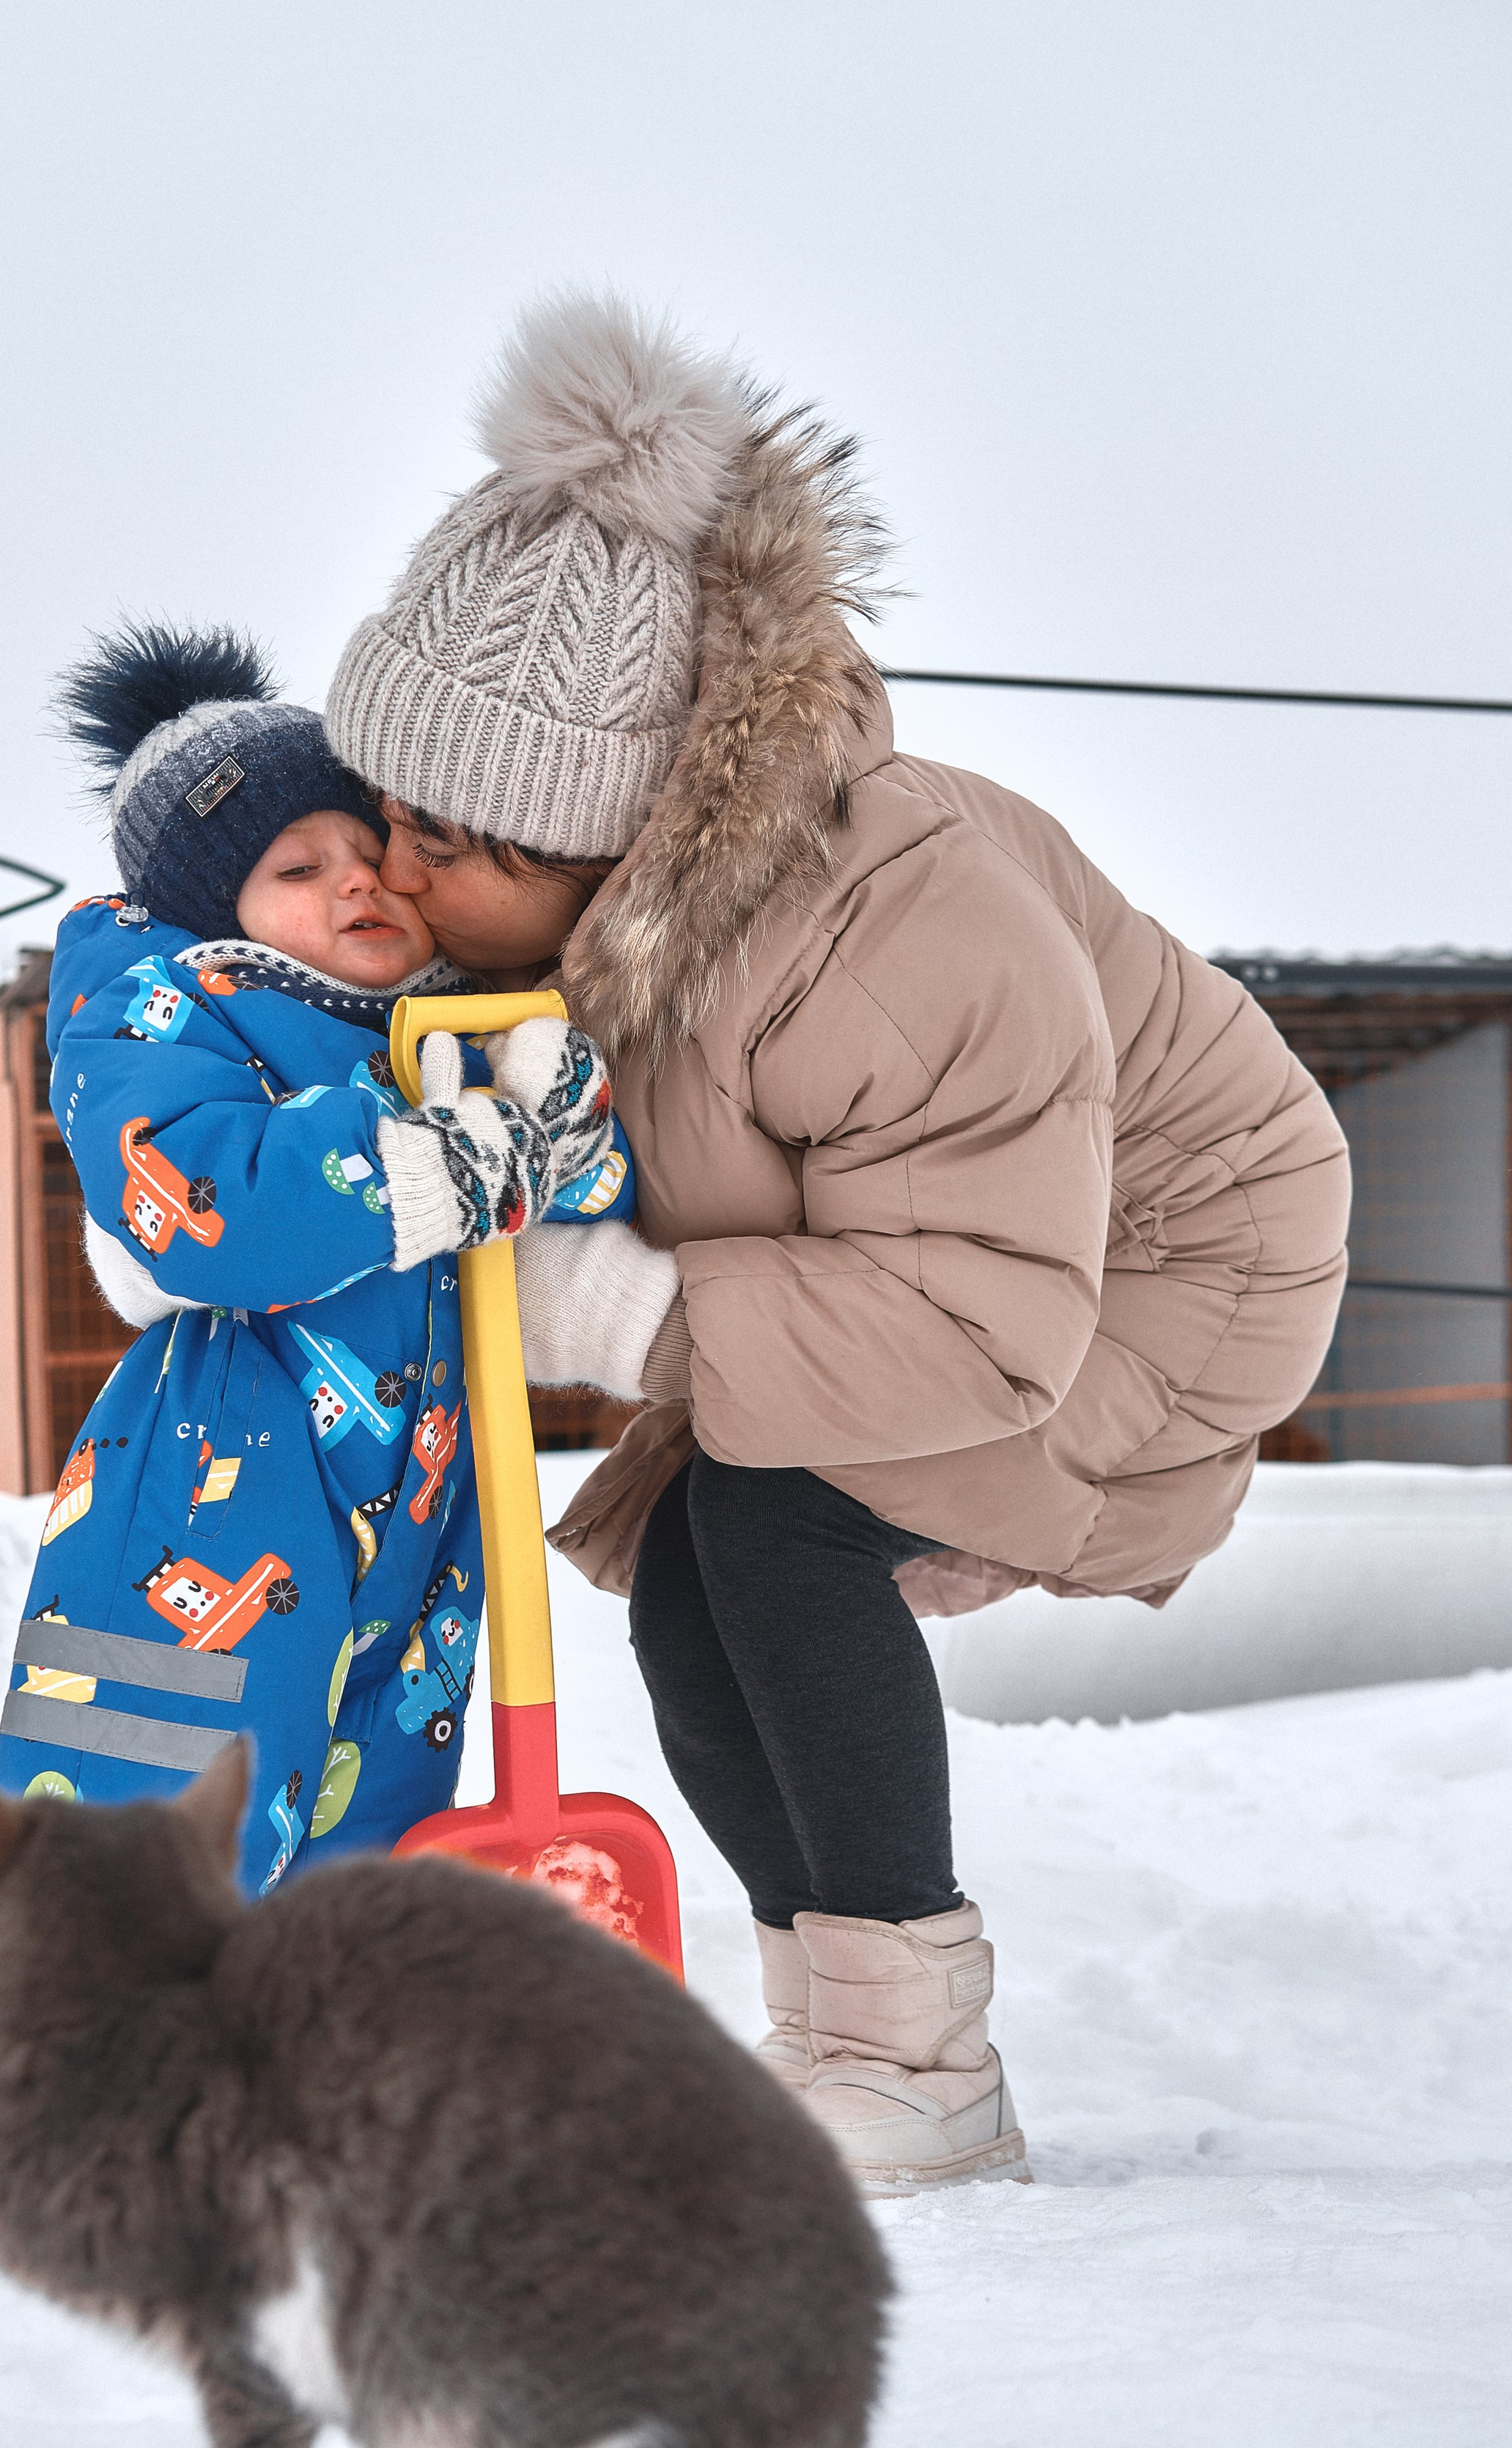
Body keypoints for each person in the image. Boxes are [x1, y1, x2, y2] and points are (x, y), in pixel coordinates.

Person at [325, 294, 1351, 2194]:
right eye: (376, 813)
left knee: (776, 1516)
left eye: (439, 837)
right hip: (971, 1257)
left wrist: (634, 1314)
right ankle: (840, 2034)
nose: (392, 873)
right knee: (706, 1560)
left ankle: (922, 2067)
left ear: (599, 828)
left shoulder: (888, 927)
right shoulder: (619, 939)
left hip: (1167, 1268)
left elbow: (977, 1320)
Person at [0, 624, 629, 1898]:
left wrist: (565, 1140)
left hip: (426, 1500)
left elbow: (574, 1214)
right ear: (214, 909)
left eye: (369, 850)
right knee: (174, 1793)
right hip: (224, 1479)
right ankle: (105, 2025)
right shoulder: (166, 1007)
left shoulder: (449, 1023)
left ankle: (314, 2034)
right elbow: (193, 1187)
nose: (359, 884)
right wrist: (428, 1162)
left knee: (372, 1815)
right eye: (298, 865)